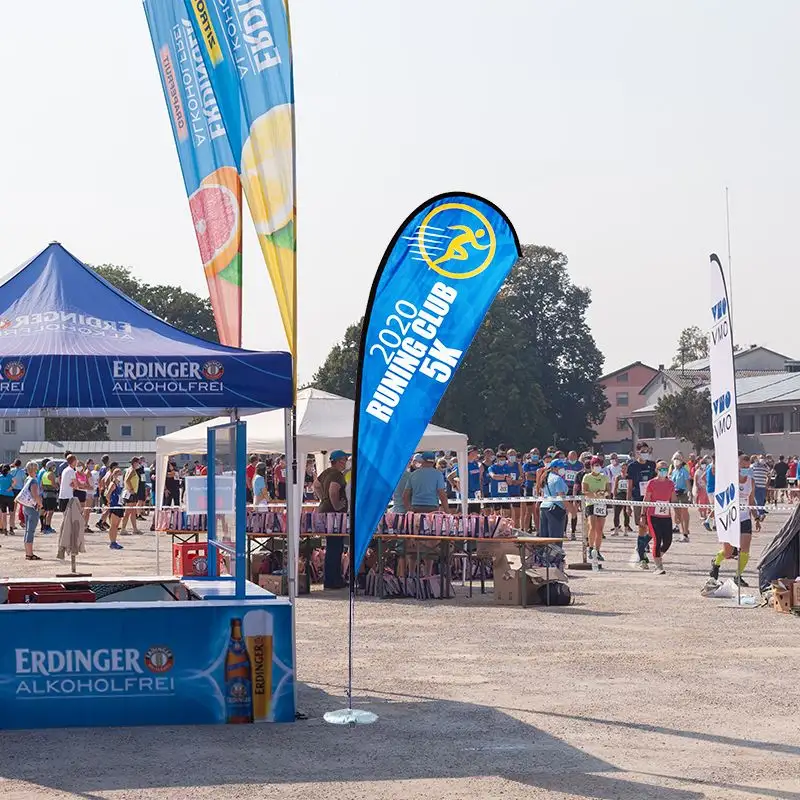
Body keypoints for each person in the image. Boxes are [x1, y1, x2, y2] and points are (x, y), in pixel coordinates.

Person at [709, 453, 755, 586]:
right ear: (737, 466)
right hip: (730, 518)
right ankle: (716, 562)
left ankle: (738, 575)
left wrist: (757, 516)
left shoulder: (751, 482)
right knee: (728, 552)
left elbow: (751, 501)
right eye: (742, 466)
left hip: (745, 518)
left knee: (745, 549)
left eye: (747, 467)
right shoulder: (730, 479)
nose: (745, 469)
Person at [314, 450, 350, 589]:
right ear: (339, 460)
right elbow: (333, 490)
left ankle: (332, 579)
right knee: (335, 546)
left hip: (325, 510)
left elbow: (316, 485)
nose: (346, 461)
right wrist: (335, 505)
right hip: (334, 515)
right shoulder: (337, 474)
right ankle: (333, 580)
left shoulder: (326, 472)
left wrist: (323, 498)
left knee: (332, 546)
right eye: (344, 459)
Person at [643, 461, 676, 574]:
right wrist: (643, 514)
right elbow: (646, 499)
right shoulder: (651, 483)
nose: (664, 471)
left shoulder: (671, 483)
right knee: (657, 539)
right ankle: (658, 566)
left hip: (666, 515)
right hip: (653, 515)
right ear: (656, 470)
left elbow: (673, 500)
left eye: (665, 469)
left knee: (668, 541)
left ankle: (657, 556)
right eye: (661, 469)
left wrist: (677, 515)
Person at [627, 442, 658, 566]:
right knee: (641, 525)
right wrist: (627, 504)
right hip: (638, 499)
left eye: (647, 451)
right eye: (643, 451)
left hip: (651, 500)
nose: (645, 453)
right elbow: (629, 486)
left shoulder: (652, 465)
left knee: (653, 527)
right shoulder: (632, 466)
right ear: (638, 452)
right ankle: (642, 554)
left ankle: (642, 545)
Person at [582, 456, 610, 562]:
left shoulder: (604, 477)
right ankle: (590, 548)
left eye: (599, 465)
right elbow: (584, 491)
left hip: (601, 504)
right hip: (591, 503)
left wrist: (603, 493)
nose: (597, 467)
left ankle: (598, 551)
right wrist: (594, 494)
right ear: (592, 466)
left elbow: (608, 490)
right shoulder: (587, 477)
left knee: (600, 529)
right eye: (595, 465)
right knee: (592, 527)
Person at [16, 461, 42, 560]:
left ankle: (28, 552)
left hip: (26, 507)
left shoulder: (27, 479)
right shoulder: (34, 481)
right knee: (31, 530)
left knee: (27, 530)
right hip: (32, 507)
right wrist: (40, 504)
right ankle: (29, 553)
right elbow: (35, 494)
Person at [539, 460, 569, 539]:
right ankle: (556, 551)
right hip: (555, 509)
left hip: (544, 507)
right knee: (556, 537)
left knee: (544, 537)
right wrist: (570, 508)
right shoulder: (557, 479)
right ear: (554, 468)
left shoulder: (545, 477)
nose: (563, 469)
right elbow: (561, 495)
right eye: (561, 467)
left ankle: (544, 551)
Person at [670, 453, 691, 542]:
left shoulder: (684, 471)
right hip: (675, 493)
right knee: (677, 515)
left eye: (678, 458)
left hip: (683, 493)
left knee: (684, 513)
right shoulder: (674, 471)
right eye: (675, 458)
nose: (676, 460)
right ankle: (682, 531)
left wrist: (689, 492)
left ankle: (685, 533)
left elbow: (687, 482)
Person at [562, 450, 583, 540]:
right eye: (571, 457)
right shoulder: (564, 465)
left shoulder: (580, 465)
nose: (572, 458)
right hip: (567, 488)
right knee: (565, 511)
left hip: (576, 489)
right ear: (568, 457)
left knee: (574, 511)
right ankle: (564, 532)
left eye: (574, 456)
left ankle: (573, 532)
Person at [104, 467, 125, 550]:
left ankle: (115, 541)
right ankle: (112, 542)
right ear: (115, 475)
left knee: (116, 526)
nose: (120, 476)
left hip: (120, 505)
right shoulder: (112, 484)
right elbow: (107, 495)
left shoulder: (119, 484)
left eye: (121, 474)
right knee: (113, 525)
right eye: (119, 474)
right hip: (115, 506)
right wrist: (110, 503)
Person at [487, 451, 513, 519]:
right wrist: (504, 477)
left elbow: (510, 482)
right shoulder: (491, 467)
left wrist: (506, 478)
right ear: (497, 459)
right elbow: (493, 476)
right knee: (496, 515)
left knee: (507, 514)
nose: (502, 461)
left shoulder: (507, 467)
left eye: (503, 459)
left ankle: (506, 529)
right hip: (495, 494)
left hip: (505, 494)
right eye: (500, 459)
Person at [121, 458, 141, 535]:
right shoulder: (132, 470)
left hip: (132, 493)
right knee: (128, 512)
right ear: (134, 463)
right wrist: (131, 488)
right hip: (130, 493)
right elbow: (127, 480)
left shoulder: (131, 470)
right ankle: (123, 528)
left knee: (133, 512)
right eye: (138, 463)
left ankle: (135, 528)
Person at [612, 461, 632, 535]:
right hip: (619, 495)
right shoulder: (618, 477)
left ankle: (626, 530)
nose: (623, 470)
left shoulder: (629, 477)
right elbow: (615, 487)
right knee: (616, 513)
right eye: (622, 468)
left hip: (627, 495)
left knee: (626, 513)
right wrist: (614, 496)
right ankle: (616, 529)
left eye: (625, 468)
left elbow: (630, 488)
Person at [40, 462, 59, 534]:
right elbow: (53, 484)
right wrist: (58, 487)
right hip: (51, 494)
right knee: (50, 511)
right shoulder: (51, 474)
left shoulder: (44, 474)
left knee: (45, 511)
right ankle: (47, 527)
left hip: (45, 494)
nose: (54, 468)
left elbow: (41, 485)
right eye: (53, 466)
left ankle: (44, 526)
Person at [750, 454, 770, 521]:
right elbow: (749, 474)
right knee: (758, 501)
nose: (762, 459)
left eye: (763, 458)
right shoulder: (753, 466)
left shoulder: (766, 467)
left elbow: (769, 476)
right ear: (758, 458)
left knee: (762, 501)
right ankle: (761, 514)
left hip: (763, 487)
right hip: (756, 486)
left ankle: (760, 514)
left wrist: (767, 484)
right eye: (761, 458)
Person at [0, 465, 13, 535]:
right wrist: (11, 487)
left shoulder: (0, 477)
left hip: (1, 495)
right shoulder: (10, 476)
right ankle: (11, 528)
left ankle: (4, 529)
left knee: (4, 514)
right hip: (10, 496)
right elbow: (15, 482)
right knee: (11, 513)